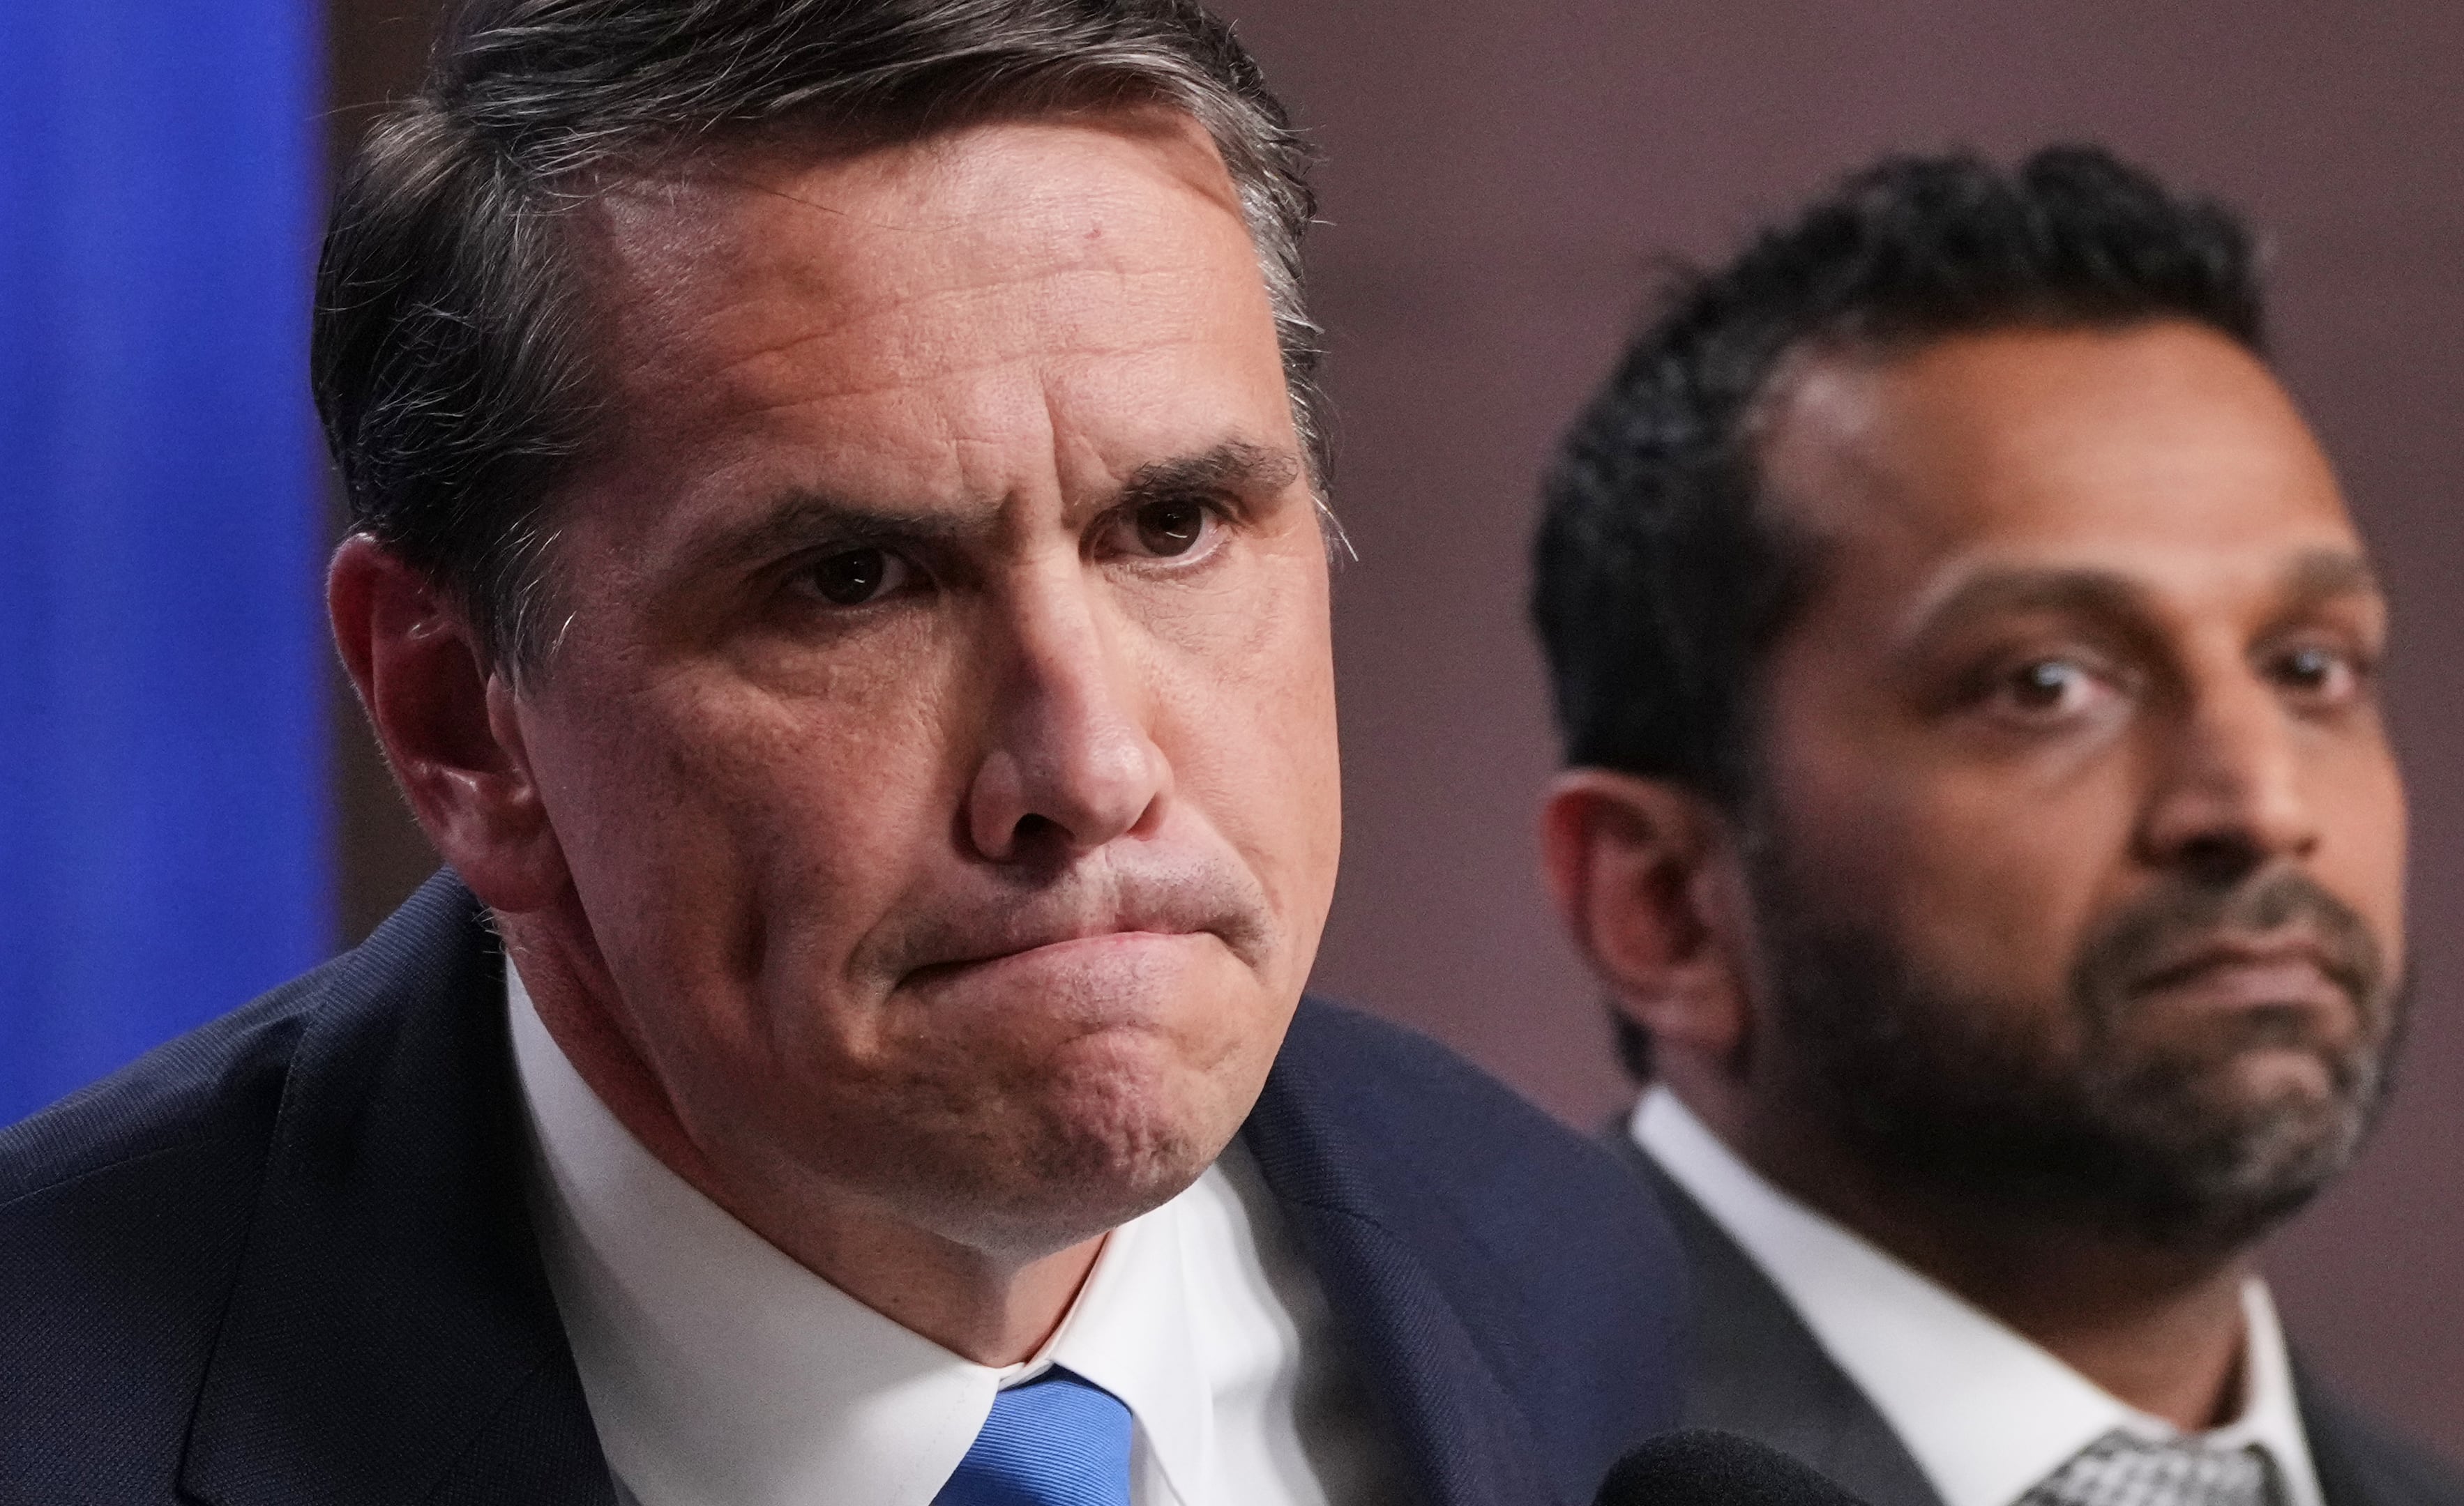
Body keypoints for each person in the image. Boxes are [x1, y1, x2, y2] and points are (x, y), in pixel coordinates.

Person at [0, 3, 1684, 1502]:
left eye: (1171, 524)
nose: (1088, 772)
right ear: (462, 721)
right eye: (852, 582)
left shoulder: (1577, 1275)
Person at [1532, 146, 2464, 1506]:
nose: (2259, 804)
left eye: (2310, 669)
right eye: (2047, 686)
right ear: (1667, 903)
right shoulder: (1410, 1457)